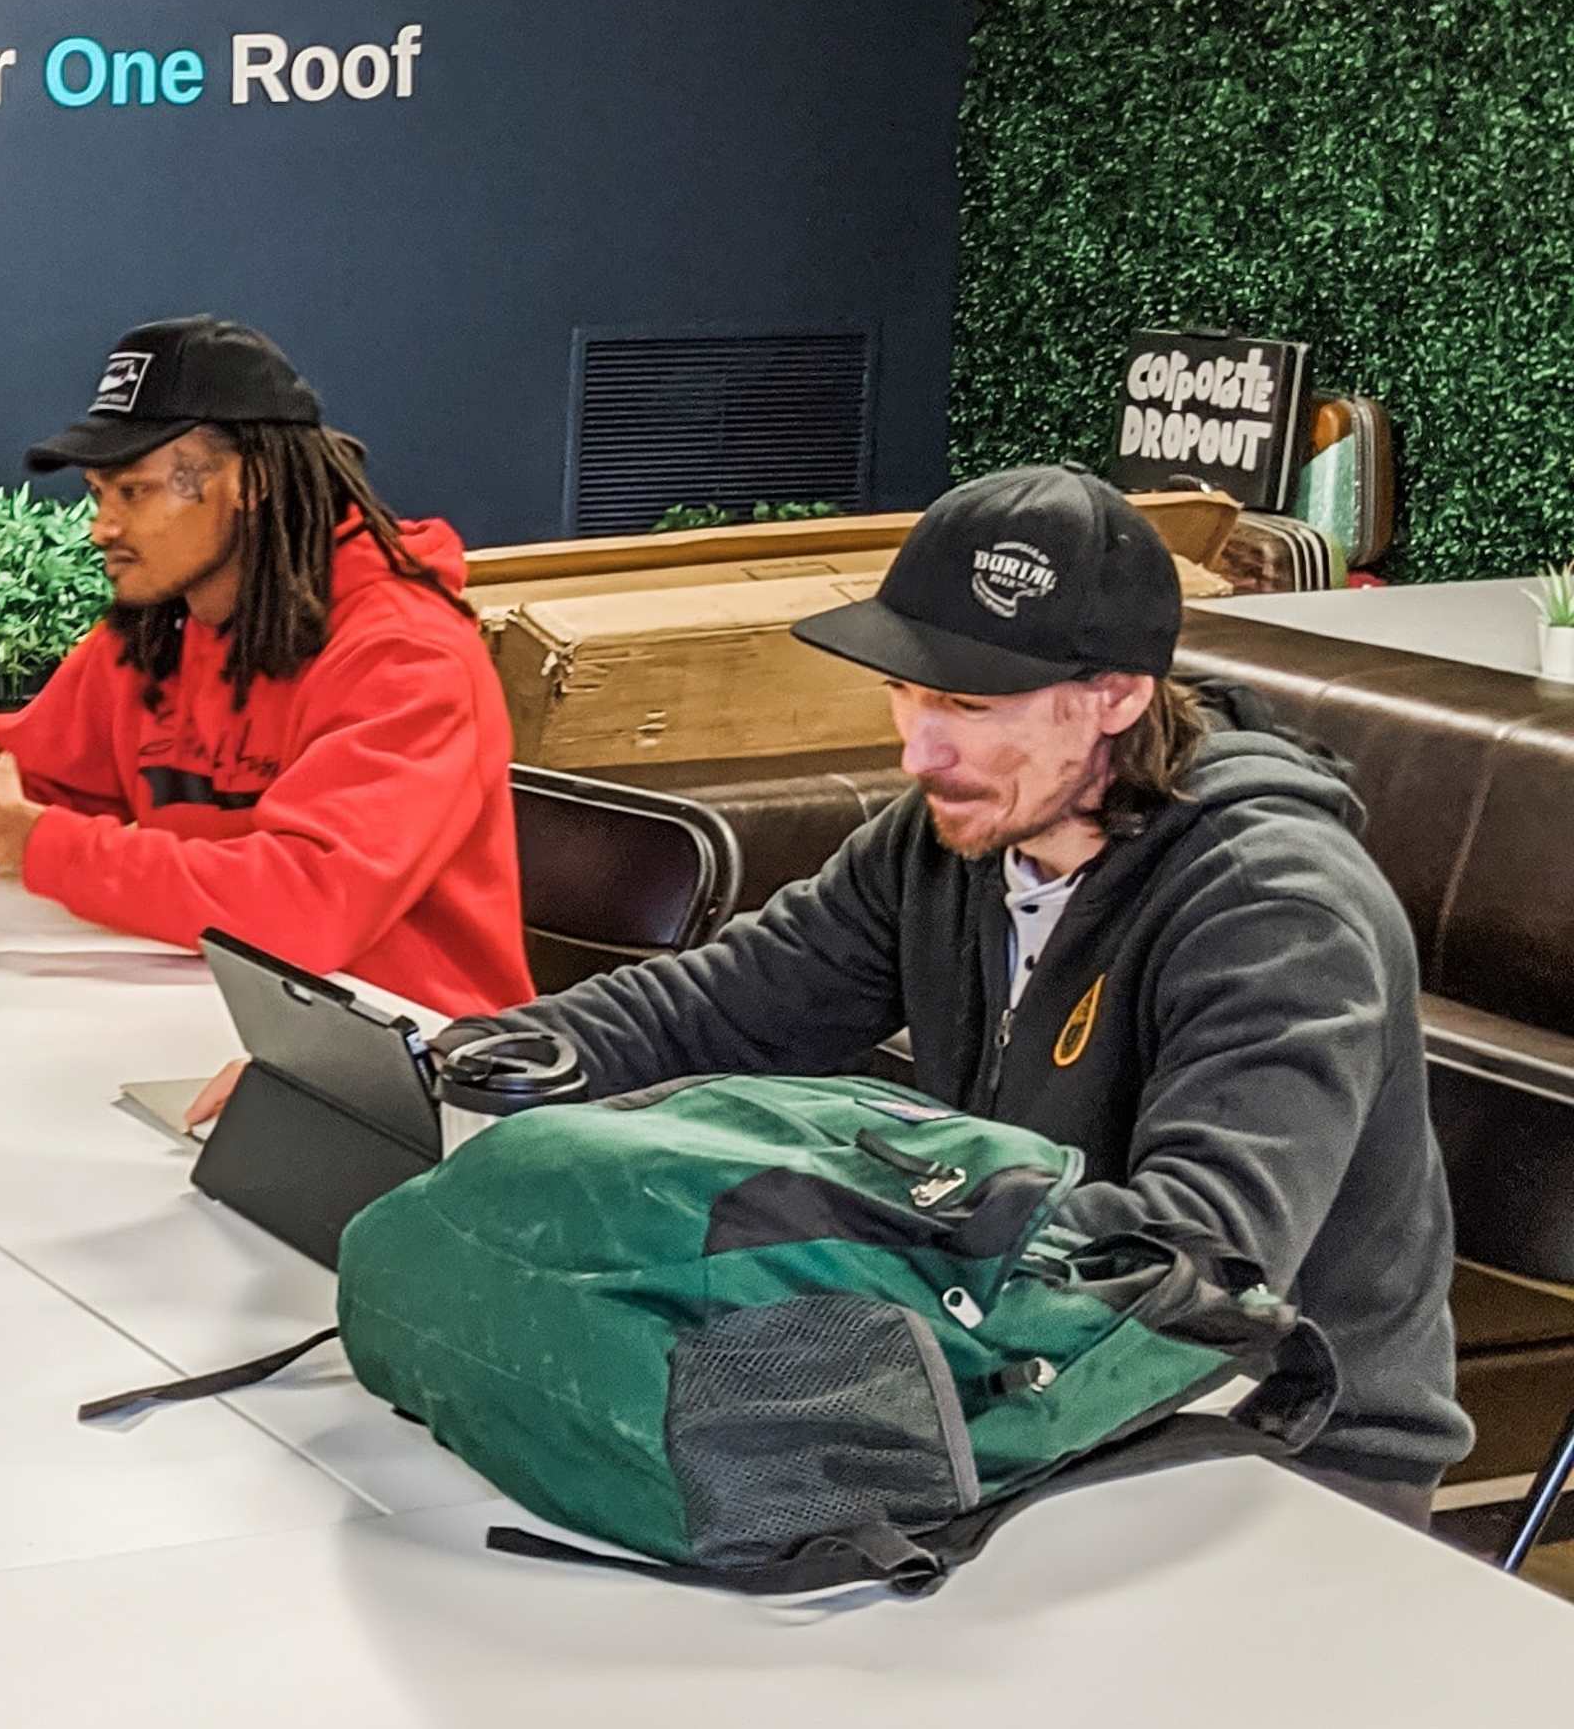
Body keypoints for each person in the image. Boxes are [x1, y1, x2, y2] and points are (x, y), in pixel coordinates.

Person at [455, 464, 1469, 1514]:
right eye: (904, 690)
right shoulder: (950, 841)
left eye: (968, 705)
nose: (918, 748)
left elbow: (1192, 1263)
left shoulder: (1274, 907)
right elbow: (716, 1008)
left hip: (1280, 1453)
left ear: (1117, 694)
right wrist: (466, 1064)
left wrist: (853, 1248)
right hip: (1028, 1402)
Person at [0, 318, 529, 1015]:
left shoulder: (409, 658)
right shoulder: (159, 631)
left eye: (133, 492)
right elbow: (37, 781)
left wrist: (19, 838)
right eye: (97, 494)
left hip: (411, 1071)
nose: (103, 527)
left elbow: (306, 909)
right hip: (207, 1010)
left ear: (251, 481)